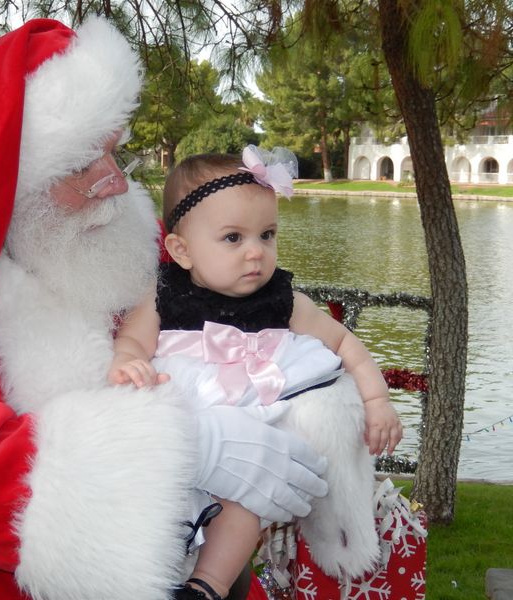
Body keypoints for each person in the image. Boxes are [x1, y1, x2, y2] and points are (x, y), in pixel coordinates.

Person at [0, 18, 329, 600]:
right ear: (3, 185)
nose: (114, 183)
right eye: (80, 165)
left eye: (113, 152)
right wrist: (189, 448)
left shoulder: (135, 235)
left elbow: (249, 320)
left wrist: (309, 408)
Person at [108, 146, 404, 600]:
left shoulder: (282, 302)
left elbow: (346, 345)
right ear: (181, 249)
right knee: (161, 505)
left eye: (267, 235)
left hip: (254, 446)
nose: (255, 253)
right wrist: (127, 361)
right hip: (186, 430)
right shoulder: (163, 295)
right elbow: (131, 341)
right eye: (233, 238)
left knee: (243, 504)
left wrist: (377, 402)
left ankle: (207, 587)